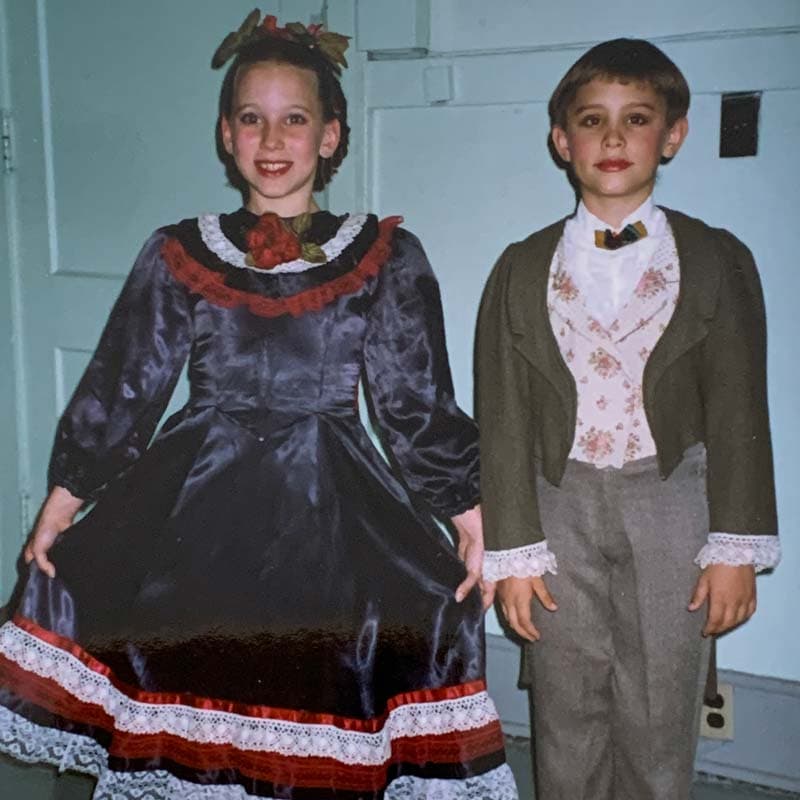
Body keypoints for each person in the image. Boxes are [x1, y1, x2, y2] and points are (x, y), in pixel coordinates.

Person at [0, 11, 517, 799]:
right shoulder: (177, 251)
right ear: (225, 134)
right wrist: (63, 502)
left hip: (329, 507)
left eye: (295, 120)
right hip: (199, 506)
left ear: (331, 137)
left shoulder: (386, 255)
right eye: (252, 119)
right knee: (193, 674)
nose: (272, 141)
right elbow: (125, 383)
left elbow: (413, 400)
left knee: (318, 679)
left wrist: (471, 519)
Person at [476, 38, 780, 800]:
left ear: (671, 134)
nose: (612, 139)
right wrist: (512, 553)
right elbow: (503, 417)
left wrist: (735, 546)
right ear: (561, 140)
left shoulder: (716, 258)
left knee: (658, 704)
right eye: (591, 120)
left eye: (636, 119)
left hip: (673, 500)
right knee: (565, 703)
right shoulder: (520, 267)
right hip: (557, 502)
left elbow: (743, 407)